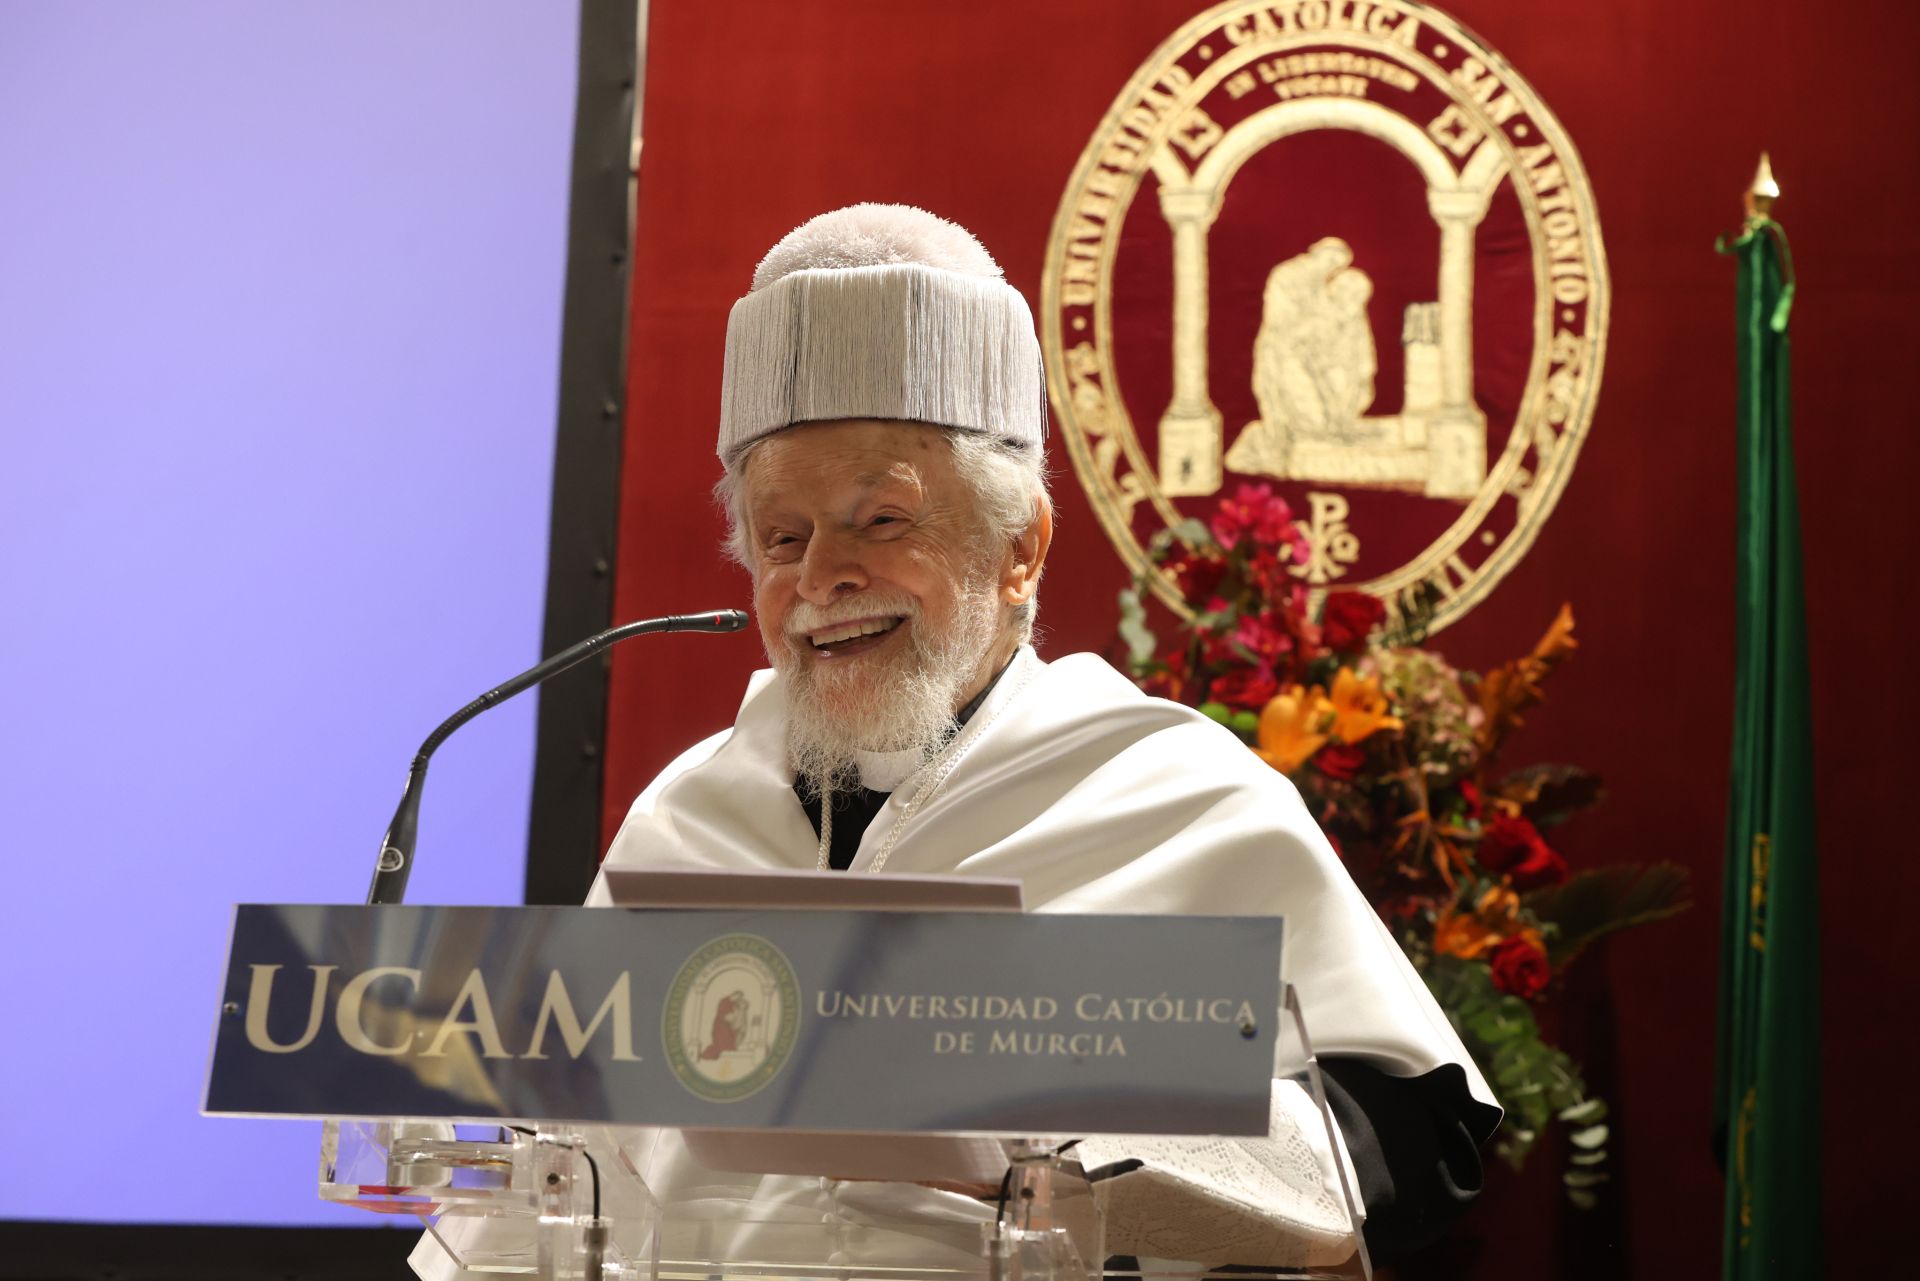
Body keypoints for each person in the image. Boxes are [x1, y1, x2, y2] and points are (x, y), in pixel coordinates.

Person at [411, 204, 1496, 1279]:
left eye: (882, 521)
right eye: (782, 537)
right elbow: (555, 1180)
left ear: (1019, 547)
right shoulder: (689, 818)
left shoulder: (1171, 789)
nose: (821, 576)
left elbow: (1407, 1145)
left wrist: (1054, 1155)